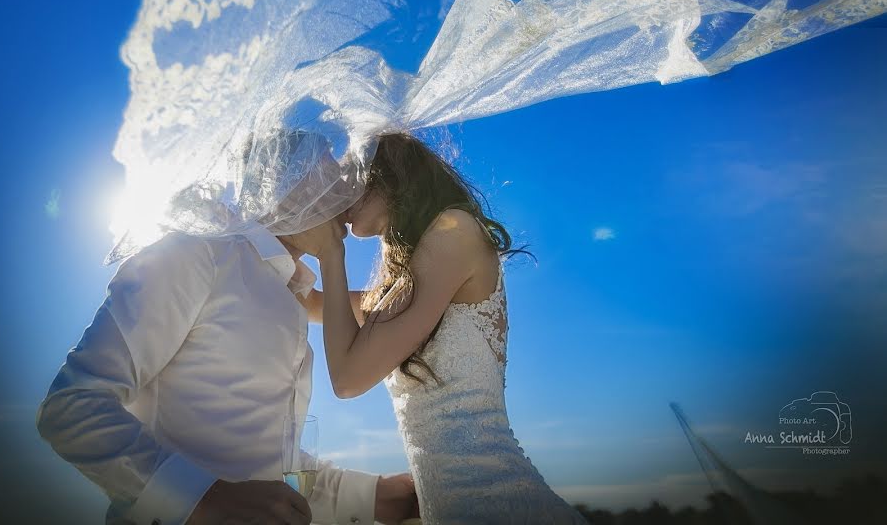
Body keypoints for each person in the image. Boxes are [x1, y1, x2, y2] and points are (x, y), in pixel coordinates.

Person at [35, 129, 419, 525]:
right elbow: (72, 406)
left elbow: (269, 466)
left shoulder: (291, 295)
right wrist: (201, 497)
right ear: (283, 182)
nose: (345, 184)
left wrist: (377, 496)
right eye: (326, 168)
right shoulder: (196, 253)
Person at [285, 132, 589, 524]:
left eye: (350, 180)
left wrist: (332, 253)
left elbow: (347, 379)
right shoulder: (407, 283)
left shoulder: (454, 231)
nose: (339, 198)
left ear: (388, 174)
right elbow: (313, 303)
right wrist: (281, 228)